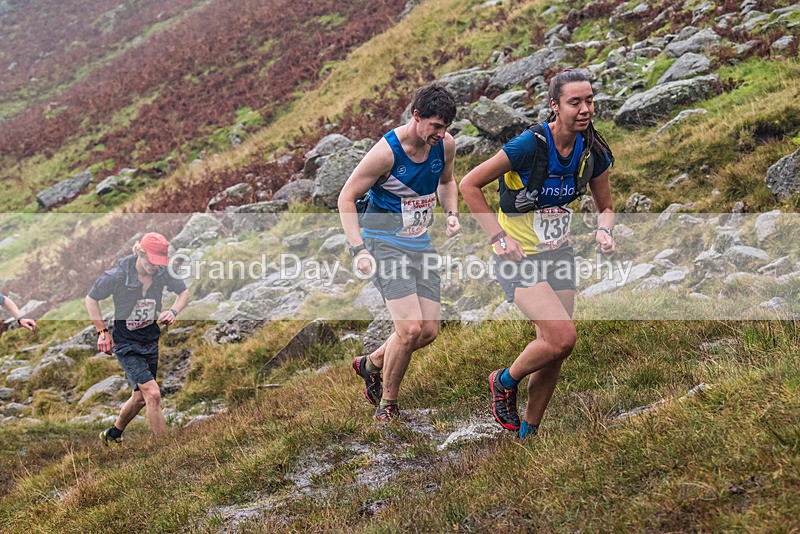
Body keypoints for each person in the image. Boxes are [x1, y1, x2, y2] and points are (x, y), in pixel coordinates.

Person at [459, 70, 617, 438]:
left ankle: (529, 431)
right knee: (562, 337)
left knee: (554, 349)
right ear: (554, 106)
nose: (584, 109)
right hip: (518, 258)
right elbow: (469, 185)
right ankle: (503, 380)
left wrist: (604, 230)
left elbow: (606, 206)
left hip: (558, 254)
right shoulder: (528, 146)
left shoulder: (593, 150)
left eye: (589, 100)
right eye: (574, 102)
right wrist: (498, 237)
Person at [338, 83, 461, 422]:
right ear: (416, 116)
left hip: (419, 241)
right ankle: (387, 404)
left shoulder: (445, 145)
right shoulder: (386, 153)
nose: (440, 133)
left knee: (428, 331)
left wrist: (451, 213)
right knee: (408, 330)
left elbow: (447, 182)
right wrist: (358, 248)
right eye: (435, 126)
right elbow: (346, 197)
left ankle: (371, 363)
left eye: (445, 126)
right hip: (383, 242)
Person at [86, 232, 189, 444]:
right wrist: (102, 332)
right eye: (151, 261)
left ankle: (113, 434)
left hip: (150, 340)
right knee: (153, 394)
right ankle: (165, 449)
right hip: (126, 344)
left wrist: (173, 311)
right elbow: (91, 299)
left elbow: (184, 292)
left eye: (159, 262)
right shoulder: (116, 276)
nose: (154, 266)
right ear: (139, 253)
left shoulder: (162, 273)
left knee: (140, 397)